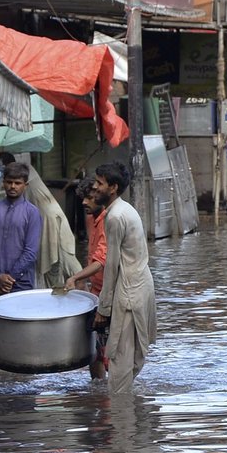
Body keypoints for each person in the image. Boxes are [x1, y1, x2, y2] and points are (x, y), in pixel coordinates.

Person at [92, 161, 156, 393]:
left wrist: (103, 307)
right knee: (131, 359)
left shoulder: (115, 216)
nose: (95, 187)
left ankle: (121, 423)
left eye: (100, 183)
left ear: (113, 187)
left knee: (119, 362)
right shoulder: (125, 209)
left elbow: (111, 265)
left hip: (129, 292)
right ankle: (131, 420)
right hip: (140, 286)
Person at [64, 177, 109, 380]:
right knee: (96, 349)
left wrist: (76, 277)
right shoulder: (92, 218)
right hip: (97, 290)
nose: (84, 202)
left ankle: (114, 400)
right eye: (84, 198)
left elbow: (101, 260)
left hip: (112, 292)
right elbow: (92, 255)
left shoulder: (110, 220)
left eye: (90, 198)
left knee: (109, 349)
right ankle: (98, 392)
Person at [0, 161, 42, 298]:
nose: (12, 186)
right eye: (9, 182)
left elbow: (30, 252)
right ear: (3, 183)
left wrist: (9, 278)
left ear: (25, 185)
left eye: (17, 183)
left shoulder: (32, 213)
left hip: (20, 284)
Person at [23, 164, 82, 289]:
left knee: (58, 261)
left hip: (50, 220)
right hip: (49, 218)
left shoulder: (24, 172)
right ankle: (60, 292)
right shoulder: (26, 172)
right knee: (55, 262)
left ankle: (83, 293)